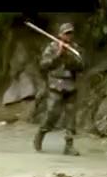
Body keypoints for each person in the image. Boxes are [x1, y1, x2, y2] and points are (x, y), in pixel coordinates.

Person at [34, 22, 85, 156]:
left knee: (70, 116)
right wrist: (59, 54)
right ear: (60, 34)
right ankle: (41, 134)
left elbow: (81, 66)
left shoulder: (75, 49)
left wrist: (68, 56)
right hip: (55, 85)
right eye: (66, 33)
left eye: (71, 33)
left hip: (71, 85)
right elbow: (44, 65)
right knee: (52, 114)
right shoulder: (51, 47)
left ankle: (69, 145)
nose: (69, 36)